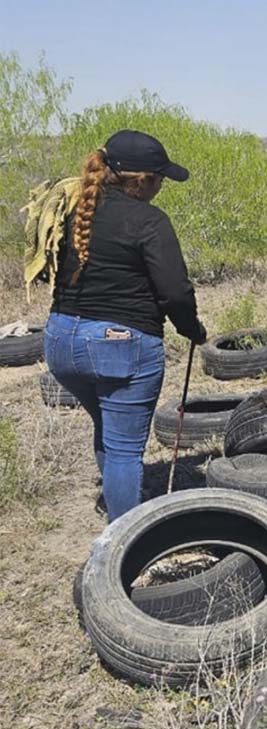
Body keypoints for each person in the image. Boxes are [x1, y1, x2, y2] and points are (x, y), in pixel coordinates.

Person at [42, 130, 206, 522]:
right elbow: (175, 292)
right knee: (125, 450)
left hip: (61, 340)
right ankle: (124, 543)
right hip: (119, 344)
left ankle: (120, 502)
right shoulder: (149, 220)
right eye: (160, 177)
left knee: (107, 426)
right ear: (140, 179)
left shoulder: (74, 210)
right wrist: (192, 330)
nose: (162, 184)